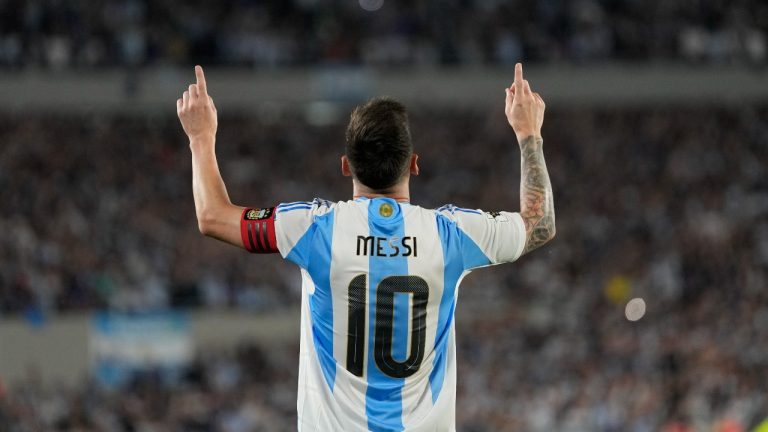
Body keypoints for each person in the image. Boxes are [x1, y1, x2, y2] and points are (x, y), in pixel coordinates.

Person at [176, 63, 555, 431]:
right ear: (414, 164)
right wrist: (528, 134)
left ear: (346, 166)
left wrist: (201, 138)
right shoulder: (451, 234)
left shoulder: (314, 229)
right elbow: (539, 225)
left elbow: (212, 217)